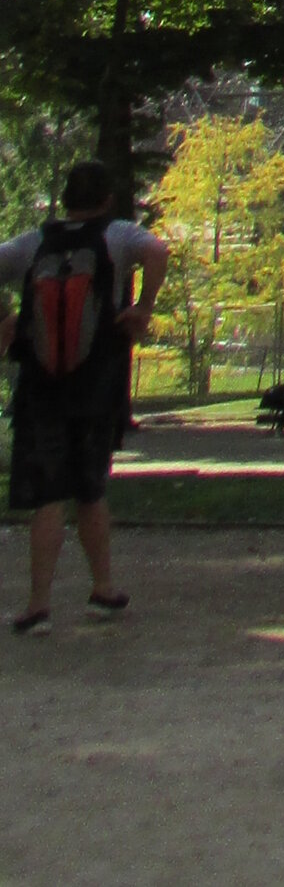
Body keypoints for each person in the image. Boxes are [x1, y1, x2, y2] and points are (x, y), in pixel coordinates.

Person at [0, 159, 169, 635]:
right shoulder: (118, 236)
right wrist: (143, 307)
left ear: (64, 200)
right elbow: (158, 250)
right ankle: (103, 589)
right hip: (95, 384)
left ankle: (37, 605)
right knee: (91, 489)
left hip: (40, 387)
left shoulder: (35, 242)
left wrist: (6, 318)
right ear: (108, 200)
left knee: (47, 497)